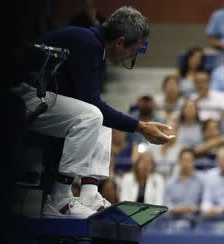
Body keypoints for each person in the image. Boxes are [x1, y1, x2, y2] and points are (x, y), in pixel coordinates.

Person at [28, 6, 175, 217]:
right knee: (93, 114)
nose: (132, 57)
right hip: (20, 95)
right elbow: (91, 103)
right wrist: (140, 127)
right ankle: (59, 199)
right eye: (133, 52)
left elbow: (89, 103)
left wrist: (138, 126)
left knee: (99, 117)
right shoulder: (87, 43)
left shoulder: (93, 44)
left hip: (39, 96)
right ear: (120, 42)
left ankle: (89, 193)